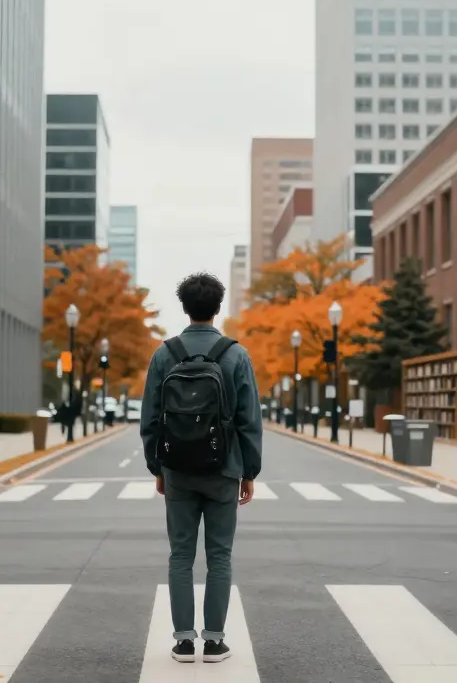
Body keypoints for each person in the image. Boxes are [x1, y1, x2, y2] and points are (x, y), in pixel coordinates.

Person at [140, 272, 263, 664]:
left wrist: (157, 468)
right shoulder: (236, 354)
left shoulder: (164, 354)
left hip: (177, 470)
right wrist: (249, 472)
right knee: (220, 555)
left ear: (184, 307)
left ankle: (182, 641)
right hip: (224, 469)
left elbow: (150, 420)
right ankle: (213, 642)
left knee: (180, 555)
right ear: (217, 306)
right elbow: (249, 419)